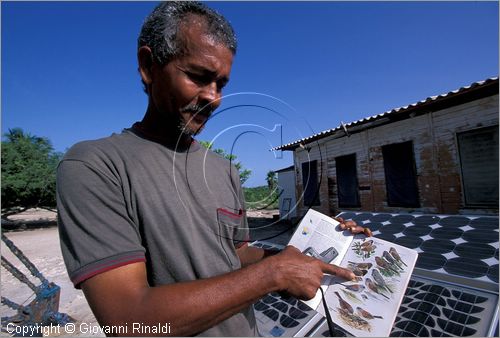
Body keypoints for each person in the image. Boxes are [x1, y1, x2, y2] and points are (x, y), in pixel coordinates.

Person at [57, 2, 361, 336]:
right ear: (148, 66)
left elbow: (235, 254)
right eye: (198, 77)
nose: (214, 98)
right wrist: (273, 274)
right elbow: (129, 319)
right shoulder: (95, 166)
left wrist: (306, 256)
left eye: (221, 84)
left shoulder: (222, 169)